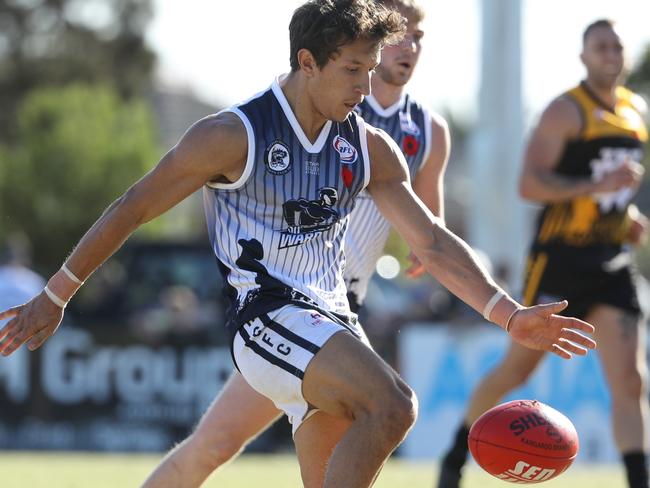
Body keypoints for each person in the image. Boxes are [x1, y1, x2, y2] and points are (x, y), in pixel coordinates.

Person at [0, 2, 596, 487]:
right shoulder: (233, 134)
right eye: (353, 70)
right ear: (307, 62)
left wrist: (508, 313)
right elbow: (133, 206)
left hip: (333, 318)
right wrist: (56, 294)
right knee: (393, 406)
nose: (365, 88)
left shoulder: (367, 146)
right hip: (266, 318)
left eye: (370, 70)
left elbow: (432, 243)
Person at [140, 1, 451, 486]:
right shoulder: (329, 98)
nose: (407, 45)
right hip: (289, 308)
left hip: (342, 311)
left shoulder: (427, 131)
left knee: (340, 446)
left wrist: (429, 254)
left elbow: (430, 232)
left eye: (418, 36)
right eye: (399, 35)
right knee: (217, 444)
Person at [436, 19, 649, 488]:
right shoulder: (564, 111)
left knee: (631, 382)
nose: (611, 54)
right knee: (516, 368)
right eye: (600, 46)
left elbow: (611, 190)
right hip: (560, 260)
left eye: (617, 46)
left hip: (611, 260)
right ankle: (456, 453)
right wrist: (599, 187)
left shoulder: (636, 110)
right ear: (584, 56)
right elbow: (529, 184)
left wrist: (624, 216)